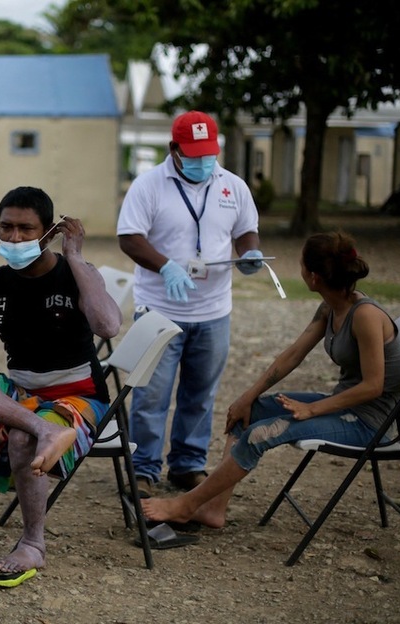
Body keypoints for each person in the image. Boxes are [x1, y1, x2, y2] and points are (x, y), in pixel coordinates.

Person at [140, 232, 400, 529]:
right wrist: (248, 396)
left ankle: (185, 505)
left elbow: (373, 386)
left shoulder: (365, 315)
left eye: (301, 265)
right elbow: (293, 354)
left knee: (261, 434)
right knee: (247, 414)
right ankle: (213, 509)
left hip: (370, 424)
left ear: (313, 277)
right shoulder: (331, 307)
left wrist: (312, 409)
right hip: (342, 408)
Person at [0, 186, 121, 586]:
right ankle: (43, 429)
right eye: (6, 228)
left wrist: (76, 256)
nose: (14, 238)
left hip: (79, 397)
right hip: (24, 396)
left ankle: (33, 544)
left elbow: (108, 326)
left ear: (48, 232)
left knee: (20, 438)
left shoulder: (75, 273)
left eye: (26, 229)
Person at [116, 110, 264, 495]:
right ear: (174, 149)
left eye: (209, 154)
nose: (203, 162)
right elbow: (130, 237)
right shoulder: (148, 186)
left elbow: (245, 231)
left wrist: (249, 253)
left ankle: (187, 465)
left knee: (200, 395)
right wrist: (165, 266)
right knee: (151, 396)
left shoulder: (233, 186)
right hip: (159, 310)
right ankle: (143, 469)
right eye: (194, 155)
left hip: (214, 312)